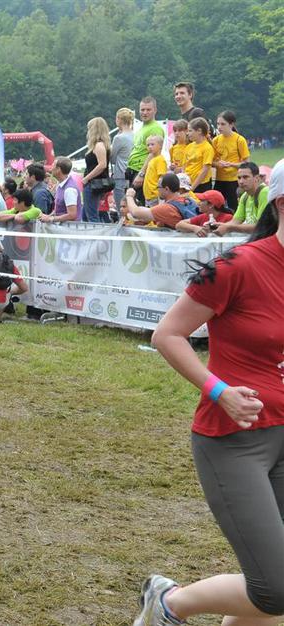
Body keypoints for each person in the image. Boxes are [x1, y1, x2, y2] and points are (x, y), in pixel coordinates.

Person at [132, 158, 284, 626]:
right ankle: (168, 602)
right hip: (233, 441)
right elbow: (167, 334)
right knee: (276, 588)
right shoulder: (239, 266)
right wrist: (219, 391)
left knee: (273, 587)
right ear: (282, 203)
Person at [124, 172, 198, 229]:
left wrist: (129, 196)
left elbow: (135, 213)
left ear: (166, 189)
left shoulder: (167, 208)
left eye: (158, 187)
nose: (157, 190)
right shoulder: (189, 200)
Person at [127, 97, 166, 204]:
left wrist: (141, 174)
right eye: (142, 110)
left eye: (148, 110)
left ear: (155, 110)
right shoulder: (142, 128)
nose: (145, 113)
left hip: (142, 171)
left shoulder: (155, 128)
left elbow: (154, 153)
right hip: (133, 169)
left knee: (138, 205)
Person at [215, 162, 269, 237]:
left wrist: (229, 228)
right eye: (239, 178)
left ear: (257, 178)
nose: (241, 182)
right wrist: (218, 226)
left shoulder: (265, 193)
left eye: (245, 177)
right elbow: (235, 221)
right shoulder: (245, 196)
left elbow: (261, 226)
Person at [212, 111, 250, 211]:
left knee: (234, 208)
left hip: (234, 180)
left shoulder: (239, 140)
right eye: (218, 124)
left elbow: (246, 163)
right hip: (219, 179)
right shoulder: (215, 140)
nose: (219, 127)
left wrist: (231, 164)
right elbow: (211, 162)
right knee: (216, 207)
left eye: (223, 124)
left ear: (231, 124)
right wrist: (218, 164)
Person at [81, 117, 112, 223]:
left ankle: (96, 234)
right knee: (87, 215)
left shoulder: (99, 145)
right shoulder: (101, 145)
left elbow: (102, 165)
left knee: (92, 216)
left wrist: (86, 178)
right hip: (94, 183)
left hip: (93, 183)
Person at [39, 157, 81, 223]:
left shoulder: (69, 190)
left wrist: (51, 219)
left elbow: (72, 215)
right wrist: (48, 216)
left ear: (58, 169)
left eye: (53, 165)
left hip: (69, 228)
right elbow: (58, 210)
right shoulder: (60, 184)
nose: (51, 168)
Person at [111, 108, 135, 211]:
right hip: (132, 174)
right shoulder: (136, 135)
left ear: (119, 119)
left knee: (121, 208)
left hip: (120, 175)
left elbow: (112, 159)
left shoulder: (118, 138)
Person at [184, 117, 215, 193]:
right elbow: (184, 166)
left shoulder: (207, 148)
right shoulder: (189, 147)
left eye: (190, 131)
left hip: (201, 185)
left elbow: (204, 171)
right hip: (188, 184)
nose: (187, 133)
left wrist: (192, 188)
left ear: (199, 131)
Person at [140, 135, 168, 207]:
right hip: (149, 195)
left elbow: (162, 177)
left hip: (155, 195)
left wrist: (159, 192)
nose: (150, 147)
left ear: (160, 146)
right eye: (148, 145)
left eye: (152, 144)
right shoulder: (152, 159)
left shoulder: (160, 160)